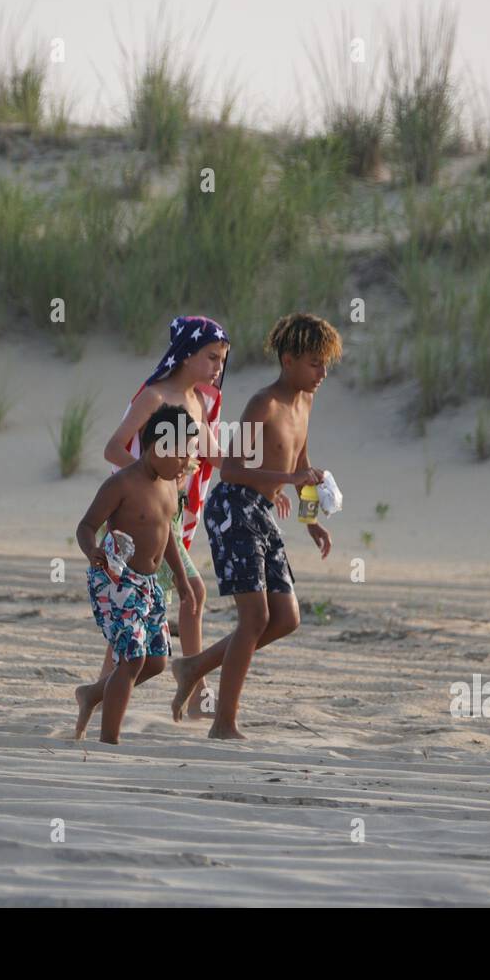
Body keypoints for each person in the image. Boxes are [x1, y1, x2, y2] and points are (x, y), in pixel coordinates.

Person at [170, 313, 343, 739]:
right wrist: (286, 480)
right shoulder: (263, 404)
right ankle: (224, 724)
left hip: (262, 511)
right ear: (288, 360)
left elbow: (299, 461)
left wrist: (311, 522)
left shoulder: (306, 401)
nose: (322, 373)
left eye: (325, 365)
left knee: (286, 618)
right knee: (255, 618)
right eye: (314, 363)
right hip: (232, 508)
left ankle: (194, 665)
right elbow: (229, 471)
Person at [101, 316, 230, 719]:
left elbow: (215, 456)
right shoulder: (155, 397)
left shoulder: (198, 402)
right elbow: (113, 448)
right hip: (140, 518)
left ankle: (105, 690)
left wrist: (272, 476)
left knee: (145, 605)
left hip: (168, 520)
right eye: (211, 358)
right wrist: (153, 479)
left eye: (223, 361)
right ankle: (193, 689)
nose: (217, 368)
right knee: (181, 594)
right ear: (186, 354)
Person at [74, 404, 199, 744]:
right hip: (116, 580)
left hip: (148, 584)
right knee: (132, 658)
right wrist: (91, 550)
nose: (186, 463)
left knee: (156, 661)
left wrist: (182, 579)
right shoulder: (123, 484)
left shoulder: (171, 486)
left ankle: (93, 695)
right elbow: (86, 525)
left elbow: (168, 534)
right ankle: (108, 740)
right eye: (180, 454)